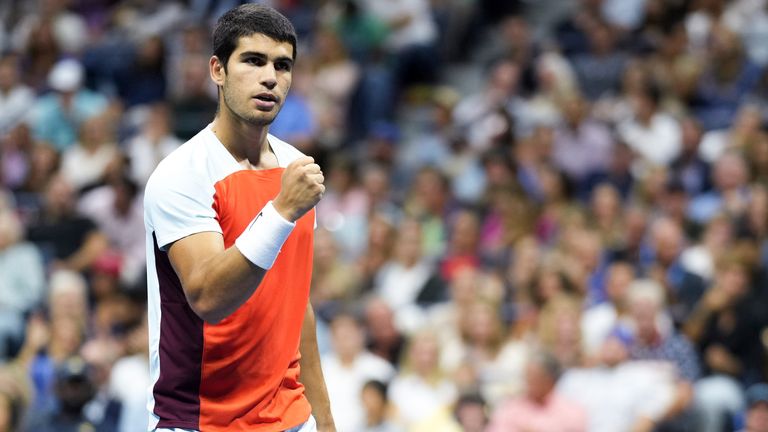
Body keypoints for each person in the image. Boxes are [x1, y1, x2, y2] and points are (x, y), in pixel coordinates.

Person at [143, 5, 335, 432]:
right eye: (253, 60)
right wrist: (283, 210)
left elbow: (296, 303)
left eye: (282, 66)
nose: (270, 77)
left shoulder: (294, 166)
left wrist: (325, 420)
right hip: (200, 420)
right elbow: (209, 298)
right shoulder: (181, 174)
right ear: (218, 70)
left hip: (290, 417)